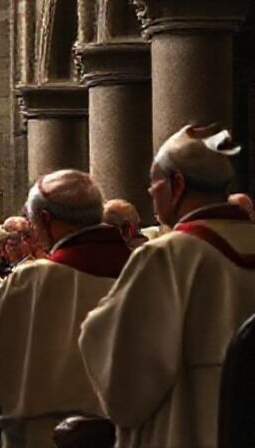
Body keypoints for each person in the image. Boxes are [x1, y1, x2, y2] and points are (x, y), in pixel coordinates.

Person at [80, 124, 255, 447]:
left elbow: (126, 381)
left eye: (154, 181)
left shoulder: (168, 256)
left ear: (177, 184)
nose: (150, 192)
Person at [0, 170, 131, 448]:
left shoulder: (33, 280)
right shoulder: (146, 270)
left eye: (31, 223)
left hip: (46, 435)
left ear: (45, 219)